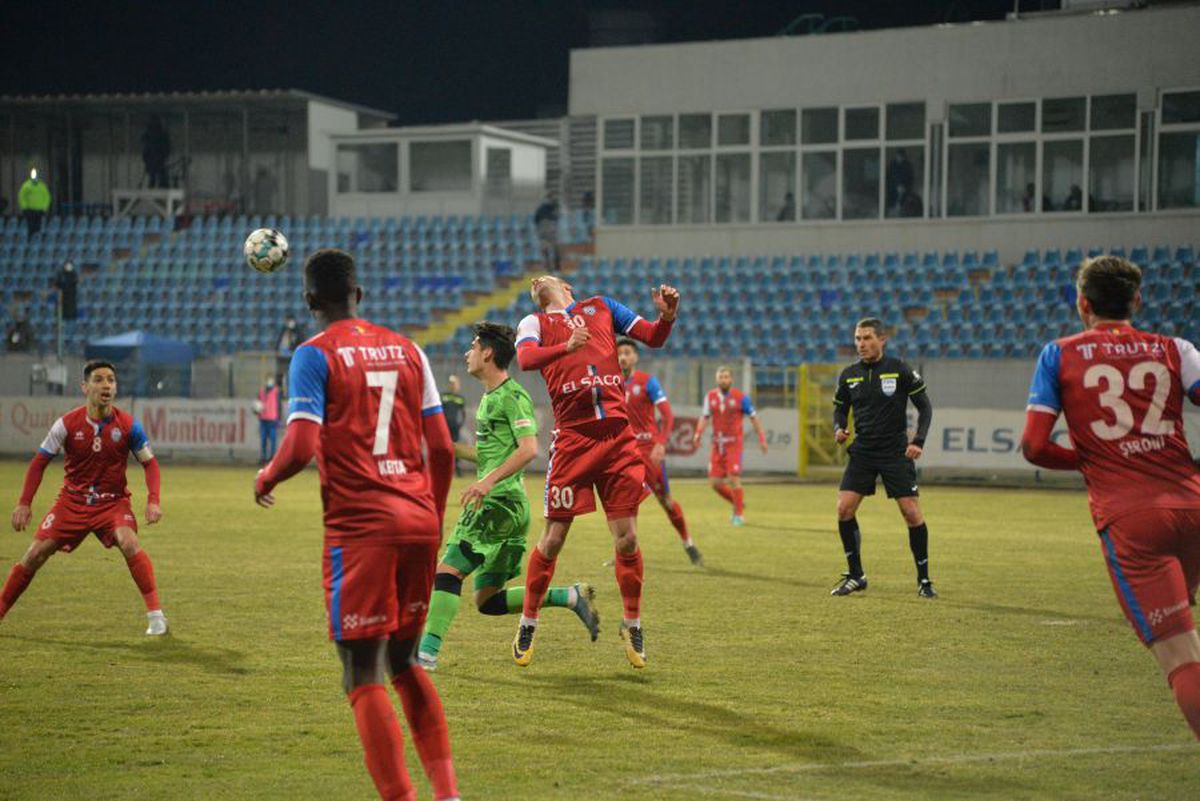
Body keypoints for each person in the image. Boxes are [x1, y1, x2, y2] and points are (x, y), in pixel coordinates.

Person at [254, 249, 460, 801]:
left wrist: (266, 477)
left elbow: (300, 445)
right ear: (358, 294)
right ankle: (448, 793)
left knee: (361, 671)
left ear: (309, 301)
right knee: (405, 661)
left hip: (363, 526)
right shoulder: (410, 350)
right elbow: (442, 448)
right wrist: (434, 515)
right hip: (419, 519)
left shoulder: (313, 354)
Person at [1020, 255, 1200, 740]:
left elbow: (1034, 446)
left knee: (1180, 654)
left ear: (1083, 303)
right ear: (1136, 300)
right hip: (1193, 505)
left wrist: (1093, 459)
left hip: (1133, 520)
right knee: (1187, 633)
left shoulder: (1058, 354)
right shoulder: (1176, 348)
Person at [512, 274, 678, 669]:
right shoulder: (534, 322)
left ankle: (632, 625)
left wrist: (667, 317)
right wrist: (565, 347)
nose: (536, 280)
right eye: (533, 282)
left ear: (567, 286)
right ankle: (528, 622)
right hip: (574, 440)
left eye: (544, 277)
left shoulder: (602, 307)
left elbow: (652, 337)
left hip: (618, 439)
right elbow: (526, 359)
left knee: (628, 539)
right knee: (553, 539)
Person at [417, 322, 600, 672]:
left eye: (472, 347)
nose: (467, 353)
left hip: (497, 504)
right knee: (487, 601)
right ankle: (569, 595)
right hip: (508, 508)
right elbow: (490, 457)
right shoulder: (491, 398)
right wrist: (445, 446)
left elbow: (529, 449)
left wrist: (486, 483)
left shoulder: (512, 396)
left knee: (447, 573)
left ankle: (425, 655)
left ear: (488, 353)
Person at [2, 360, 167, 635]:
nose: (106, 385)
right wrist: (24, 503)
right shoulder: (66, 424)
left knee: (129, 542)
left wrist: (153, 500)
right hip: (72, 502)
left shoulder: (129, 426)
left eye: (111, 380)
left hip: (112, 502)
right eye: (99, 380)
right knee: (34, 554)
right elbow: (39, 463)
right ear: (85, 387)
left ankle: (156, 617)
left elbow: (150, 464)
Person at [830, 318, 935, 598]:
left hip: (894, 451)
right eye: (857, 339)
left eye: (867, 338)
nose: (861, 344)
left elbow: (925, 408)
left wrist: (918, 441)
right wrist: (839, 428)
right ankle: (856, 575)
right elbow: (839, 409)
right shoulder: (849, 374)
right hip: (863, 450)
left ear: (882, 339)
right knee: (844, 509)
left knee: (911, 513)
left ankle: (924, 580)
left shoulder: (899, 369)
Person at [617, 337, 702, 566]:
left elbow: (667, 414)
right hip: (625, 452)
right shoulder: (611, 383)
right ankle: (625, 551)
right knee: (626, 504)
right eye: (619, 353)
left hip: (648, 451)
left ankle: (688, 543)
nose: (623, 357)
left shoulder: (648, 382)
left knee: (666, 501)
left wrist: (661, 443)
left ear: (635, 357)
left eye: (627, 353)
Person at [692, 366, 768, 526]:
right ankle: (738, 502)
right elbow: (704, 417)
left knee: (733, 478)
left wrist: (762, 438)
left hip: (734, 444)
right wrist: (698, 434)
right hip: (717, 444)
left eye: (726, 377)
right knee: (715, 483)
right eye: (721, 377)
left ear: (731, 379)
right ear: (716, 379)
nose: (724, 380)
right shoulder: (710, 397)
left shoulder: (741, 398)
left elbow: (754, 418)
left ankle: (738, 515)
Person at [441, 375, 466, 477]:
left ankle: (457, 468)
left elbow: (463, 414)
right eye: (451, 383)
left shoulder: (460, 399)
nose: (453, 385)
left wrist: (460, 424)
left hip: (455, 428)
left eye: (454, 383)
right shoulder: (444, 396)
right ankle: (444, 468)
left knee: (455, 447)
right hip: (445, 427)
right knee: (445, 447)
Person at [18, 167, 51, 238]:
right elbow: (22, 197)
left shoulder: (42, 186)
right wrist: (24, 208)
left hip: (39, 211)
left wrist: (44, 208)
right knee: (30, 227)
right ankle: (31, 240)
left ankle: (36, 240)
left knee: (38, 227)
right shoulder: (26, 186)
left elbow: (47, 197)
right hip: (30, 210)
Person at [275, 316, 304, 390]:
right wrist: (277, 351)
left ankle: (290, 392)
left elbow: (301, 343)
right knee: (279, 376)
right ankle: (280, 393)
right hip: (282, 358)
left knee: (290, 377)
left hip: (292, 358)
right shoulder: (283, 331)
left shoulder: (298, 333)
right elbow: (278, 343)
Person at [142, 115, 171, 189]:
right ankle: (160, 186)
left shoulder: (149, 135)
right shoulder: (160, 135)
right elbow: (167, 148)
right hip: (157, 159)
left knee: (155, 176)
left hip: (155, 159)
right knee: (158, 176)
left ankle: (159, 185)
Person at [256, 375, 279, 463]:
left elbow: (279, 405)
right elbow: (258, 404)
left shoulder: (276, 391)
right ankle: (263, 457)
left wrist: (278, 417)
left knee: (273, 440)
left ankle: (273, 457)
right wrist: (257, 412)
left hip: (272, 419)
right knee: (263, 440)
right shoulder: (261, 391)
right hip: (263, 419)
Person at [534, 193, 559, 270]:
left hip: (549, 228)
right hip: (544, 228)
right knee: (545, 249)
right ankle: (549, 266)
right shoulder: (543, 208)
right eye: (551, 199)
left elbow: (556, 217)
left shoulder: (553, 207)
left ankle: (555, 266)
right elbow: (536, 219)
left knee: (554, 248)